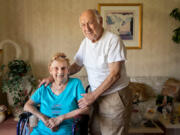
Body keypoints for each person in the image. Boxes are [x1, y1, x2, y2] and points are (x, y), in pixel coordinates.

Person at [40, 9, 132, 135]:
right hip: (96, 96)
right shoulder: (86, 42)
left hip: (114, 96)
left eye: (90, 23)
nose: (86, 28)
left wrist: (93, 96)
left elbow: (114, 74)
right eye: (83, 25)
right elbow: (76, 66)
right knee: (94, 131)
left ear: (100, 21)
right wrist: (53, 77)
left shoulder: (113, 40)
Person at [24, 52, 88, 135]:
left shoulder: (75, 84)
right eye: (56, 68)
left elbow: (86, 109)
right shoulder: (44, 87)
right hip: (42, 130)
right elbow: (27, 106)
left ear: (68, 70)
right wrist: (44, 118)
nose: (60, 72)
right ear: (50, 70)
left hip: (65, 130)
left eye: (63, 68)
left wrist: (61, 118)